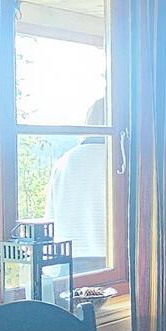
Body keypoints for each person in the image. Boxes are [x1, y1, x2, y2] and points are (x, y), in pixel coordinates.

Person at [46, 98, 108, 274]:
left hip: (68, 260)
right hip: (112, 258)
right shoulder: (119, 161)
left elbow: (50, 218)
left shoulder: (63, 162)